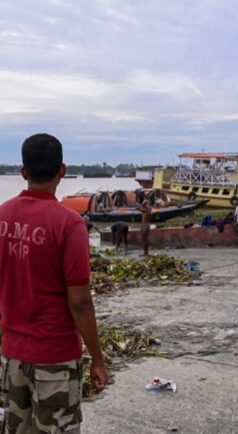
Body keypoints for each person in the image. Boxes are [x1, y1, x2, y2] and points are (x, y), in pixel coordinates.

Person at [0, 133, 108, 433]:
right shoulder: (69, 223)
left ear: (23, 172)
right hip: (55, 360)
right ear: (62, 170)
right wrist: (97, 359)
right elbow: (80, 302)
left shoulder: (2, 216)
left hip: (12, 358)